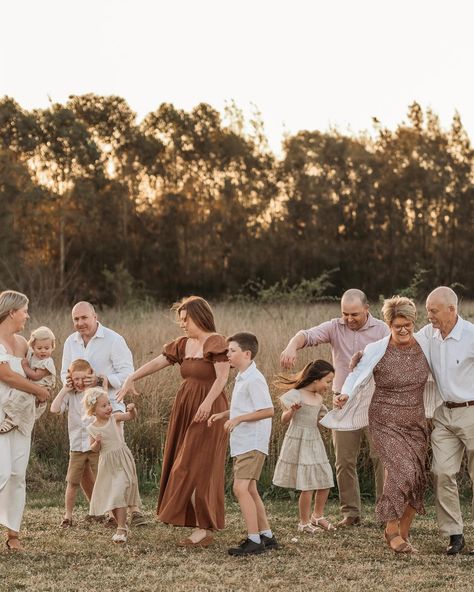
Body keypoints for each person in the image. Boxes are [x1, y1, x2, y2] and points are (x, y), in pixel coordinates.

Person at [321, 296, 441, 554]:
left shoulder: (426, 343)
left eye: (407, 324)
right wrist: (345, 394)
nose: (403, 330)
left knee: (417, 476)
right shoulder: (377, 348)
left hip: (415, 421)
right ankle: (390, 529)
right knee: (400, 471)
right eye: (397, 325)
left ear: (413, 322)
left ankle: (404, 530)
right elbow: (355, 375)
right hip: (384, 419)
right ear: (388, 324)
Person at [117, 296, 229, 547]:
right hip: (186, 407)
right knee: (183, 461)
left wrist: (207, 403)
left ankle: (203, 529)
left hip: (208, 409)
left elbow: (222, 378)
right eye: (180, 319)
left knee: (196, 465)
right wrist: (131, 378)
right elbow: (159, 362)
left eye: (185, 319)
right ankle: (196, 522)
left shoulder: (216, 342)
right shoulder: (182, 344)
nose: (182, 324)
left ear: (198, 317)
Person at [280, 289, 388, 526]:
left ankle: (385, 514)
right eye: (345, 314)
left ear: (367, 309)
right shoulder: (334, 327)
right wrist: (291, 346)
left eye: (355, 314)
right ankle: (351, 514)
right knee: (343, 460)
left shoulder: (382, 329)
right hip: (342, 402)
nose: (349, 319)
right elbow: (306, 335)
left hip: (375, 400)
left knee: (380, 457)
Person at [61, 301, 145, 527]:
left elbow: (128, 374)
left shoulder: (113, 340)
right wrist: (69, 381)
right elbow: (63, 372)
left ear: (95, 316)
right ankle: (101, 510)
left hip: (109, 412)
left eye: (84, 318)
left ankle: (134, 510)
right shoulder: (71, 342)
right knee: (85, 458)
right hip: (80, 412)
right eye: (76, 319)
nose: (80, 323)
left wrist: (100, 380)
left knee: (114, 461)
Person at [208, 332, 277, 556]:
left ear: (246, 354)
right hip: (244, 442)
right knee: (250, 489)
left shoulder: (255, 379)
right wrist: (224, 414)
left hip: (252, 442)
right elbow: (245, 407)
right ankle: (266, 535)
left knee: (240, 488)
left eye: (232, 351)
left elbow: (268, 410)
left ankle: (253, 540)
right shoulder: (242, 376)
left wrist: (237, 419)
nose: (227, 354)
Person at [417, 287, 474, 555]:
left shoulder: (471, 335)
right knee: (441, 473)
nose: (428, 315)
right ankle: (454, 535)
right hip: (444, 414)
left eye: (433, 310)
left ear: (452, 310)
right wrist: (364, 356)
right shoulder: (429, 334)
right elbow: (395, 342)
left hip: (472, 411)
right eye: (428, 310)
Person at [0, 290, 49, 551]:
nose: (27, 315)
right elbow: (5, 375)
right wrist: (38, 391)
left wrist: (45, 386)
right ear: (11, 312)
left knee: (18, 474)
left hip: (20, 415)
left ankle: (13, 535)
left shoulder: (22, 344)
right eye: (24, 311)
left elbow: (32, 373)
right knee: (1, 473)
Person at [273, 360, 336, 533]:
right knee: (307, 483)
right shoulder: (296, 394)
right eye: (327, 381)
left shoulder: (319, 398)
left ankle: (318, 516)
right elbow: (284, 420)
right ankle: (303, 522)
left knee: (325, 479)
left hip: (314, 439)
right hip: (299, 439)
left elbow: (324, 419)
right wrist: (291, 411)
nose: (328, 386)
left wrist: (339, 411)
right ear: (316, 379)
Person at [50, 358, 106, 527]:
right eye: (76, 379)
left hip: (96, 445)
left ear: (90, 375)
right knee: (72, 482)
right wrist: (64, 389)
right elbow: (54, 409)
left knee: (103, 479)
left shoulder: (95, 393)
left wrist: (98, 382)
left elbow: (106, 407)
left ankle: (109, 514)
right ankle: (68, 516)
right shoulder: (70, 395)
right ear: (70, 378)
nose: (80, 382)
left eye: (84, 378)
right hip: (76, 446)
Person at [84, 387, 140, 544]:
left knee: (120, 489)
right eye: (103, 405)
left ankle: (121, 527)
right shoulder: (92, 428)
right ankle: (121, 525)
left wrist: (132, 409)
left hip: (122, 459)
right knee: (114, 495)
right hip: (107, 464)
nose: (109, 407)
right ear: (93, 411)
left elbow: (130, 416)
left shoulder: (114, 418)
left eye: (108, 403)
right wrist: (97, 442)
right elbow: (93, 449)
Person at [0, 325, 56, 434]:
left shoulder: (47, 362)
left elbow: (35, 376)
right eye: (39, 348)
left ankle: (11, 420)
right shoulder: (33, 356)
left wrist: (25, 366)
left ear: (52, 347)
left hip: (40, 388)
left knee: (21, 398)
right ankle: (13, 419)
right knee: (20, 400)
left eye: (47, 348)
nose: (43, 351)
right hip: (33, 388)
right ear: (33, 348)